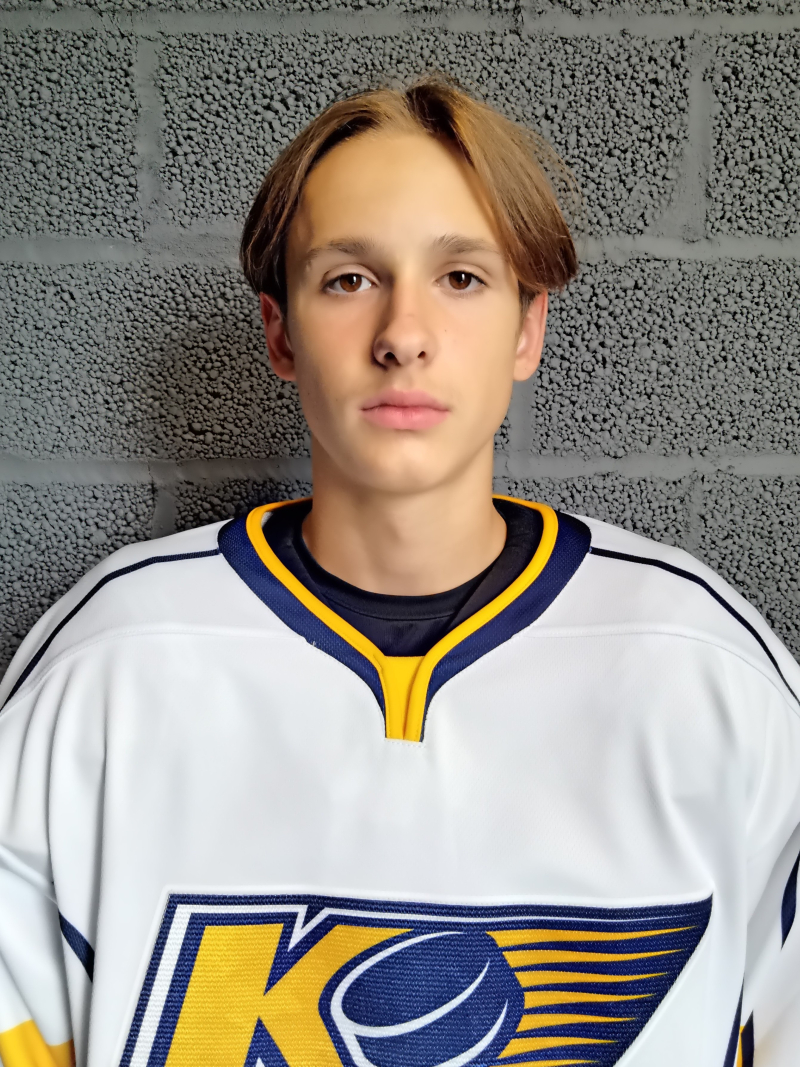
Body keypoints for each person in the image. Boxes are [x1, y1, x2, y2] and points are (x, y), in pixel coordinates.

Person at [0, 77, 797, 1067]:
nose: (402, 334)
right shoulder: (110, 664)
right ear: (280, 332)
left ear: (527, 329)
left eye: (460, 277)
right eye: (348, 279)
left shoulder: (704, 669)